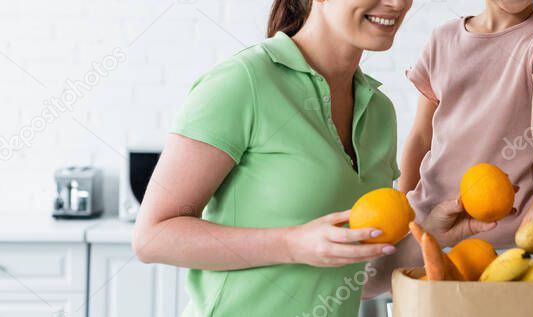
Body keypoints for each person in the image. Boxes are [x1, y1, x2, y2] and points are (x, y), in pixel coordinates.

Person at [132, 0, 491, 316]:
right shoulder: (244, 83)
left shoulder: (379, 112)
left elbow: (359, 279)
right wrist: (291, 245)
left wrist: (429, 235)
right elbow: (152, 236)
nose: (397, 3)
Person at [363, 0, 533, 297]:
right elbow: (421, 134)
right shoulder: (442, 40)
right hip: (429, 228)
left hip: (507, 238)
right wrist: (404, 204)